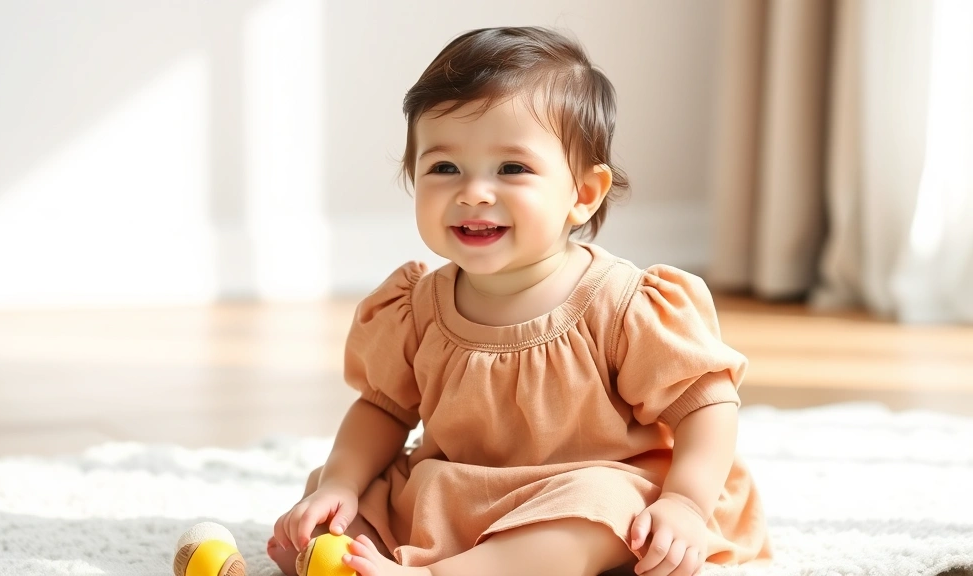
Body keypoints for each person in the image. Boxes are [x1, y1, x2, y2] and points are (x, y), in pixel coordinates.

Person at [268, 26, 771, 576]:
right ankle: (341, 556)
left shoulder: (625, 305)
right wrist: (342, 481)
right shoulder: (415, 306)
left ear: (582, 194)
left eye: (511, 169)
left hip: (590, 488)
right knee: (334, 493)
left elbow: (707, 406)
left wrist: (687, 503)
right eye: (443, 168)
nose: (473, 191)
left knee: (605, 510)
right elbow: (381, 409)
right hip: (458, 491)